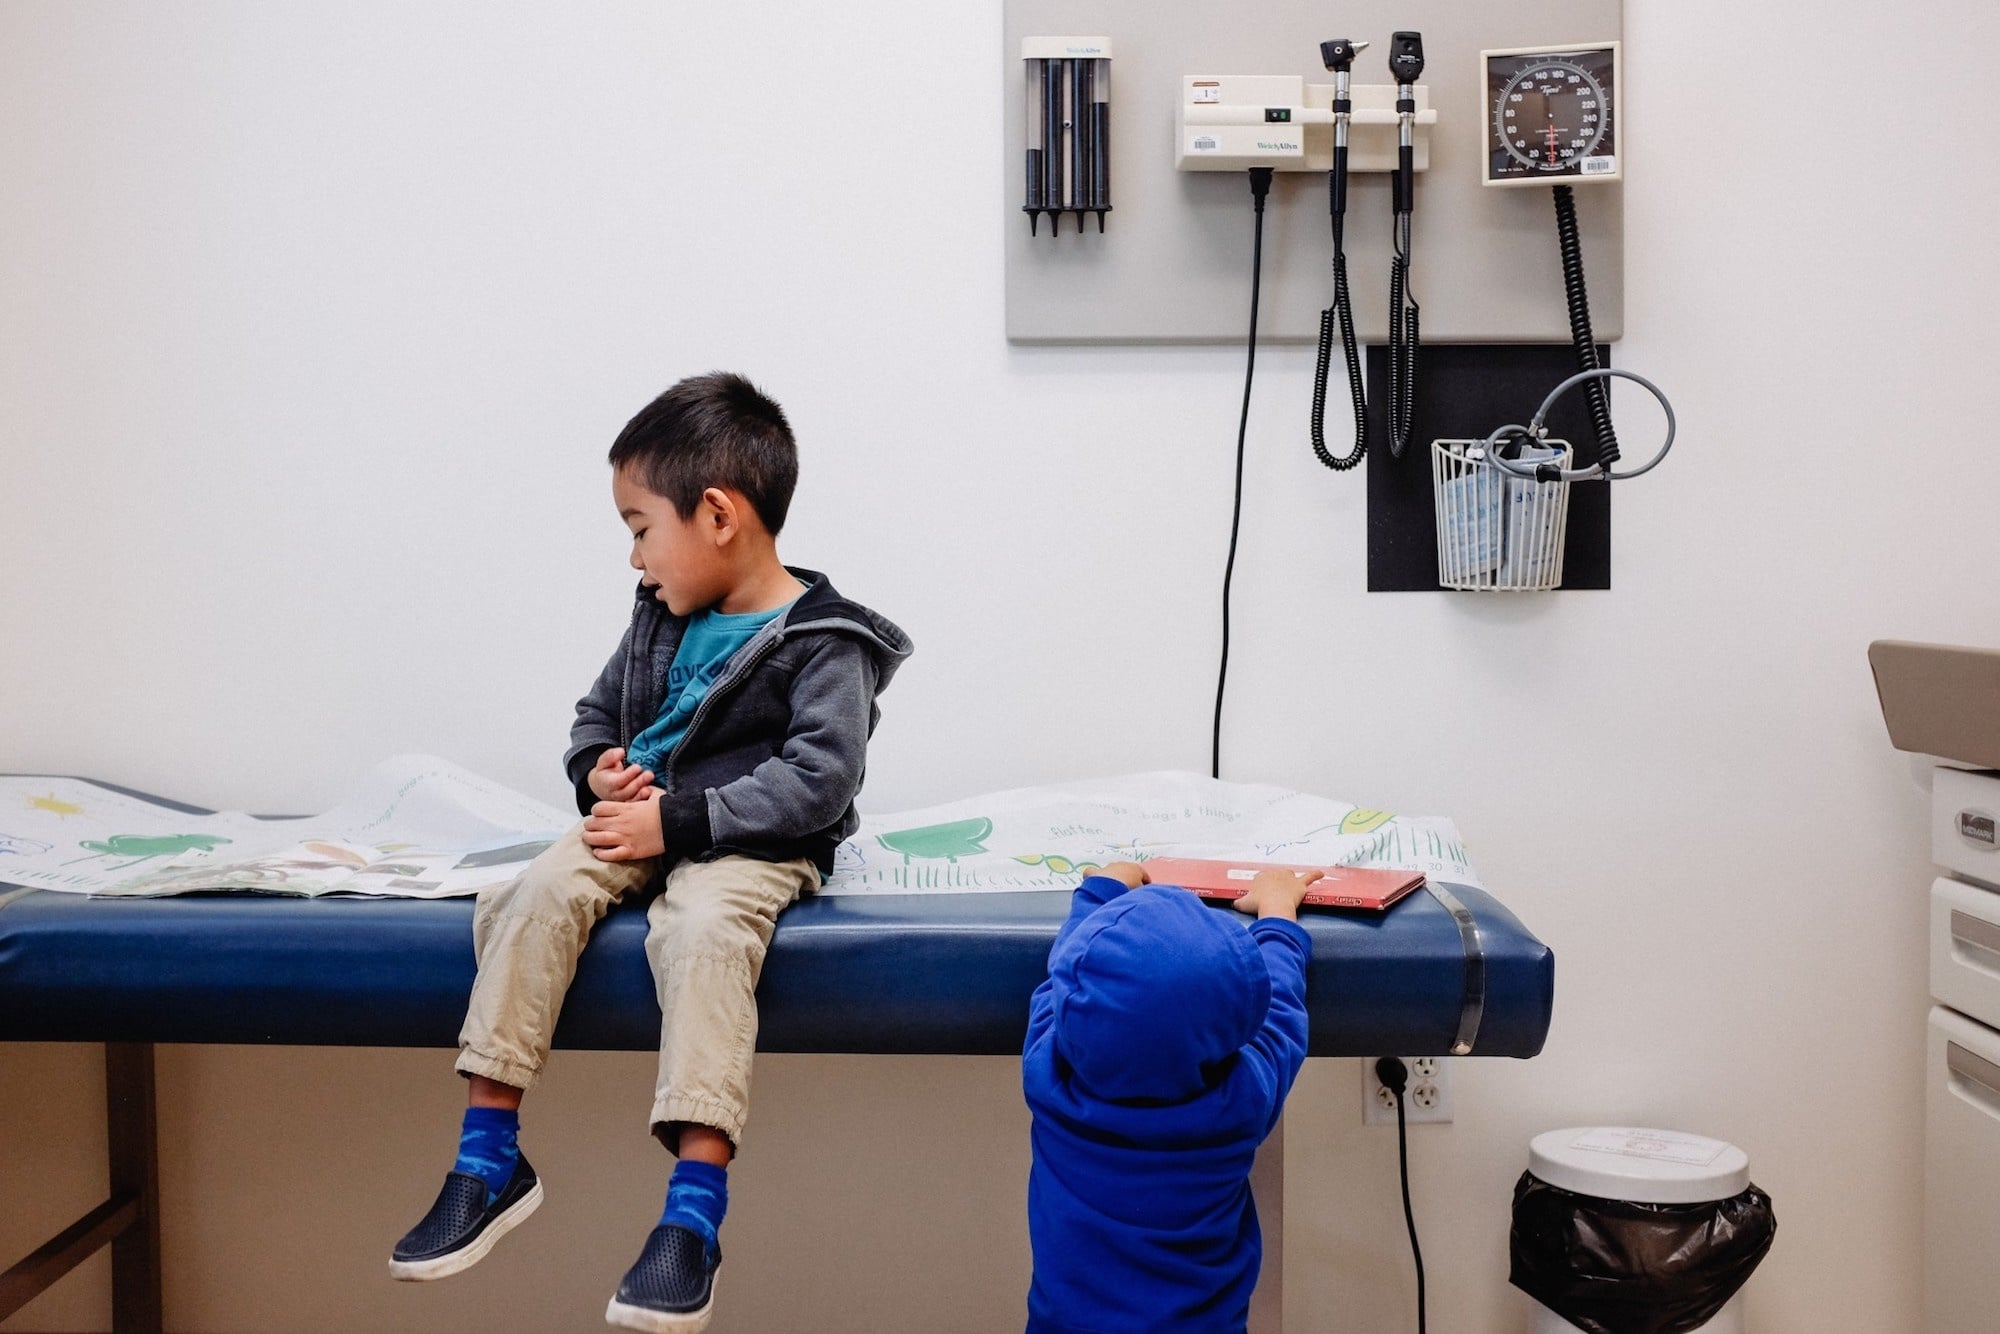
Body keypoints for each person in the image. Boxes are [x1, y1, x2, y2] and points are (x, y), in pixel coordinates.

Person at [389, 371, 913, 1334]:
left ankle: (693, 1216)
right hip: (645, 824)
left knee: (705, 932)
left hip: (750, 843)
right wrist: (603, 770)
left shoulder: (827, 643)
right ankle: (487, 1157)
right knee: (534, 892)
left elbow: (820, 780)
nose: (634, 558)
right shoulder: (660, 618)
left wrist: (675, 823)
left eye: (639, 527)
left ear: (716, 515)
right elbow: (593, 719)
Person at [1022, 861, 1317, 1333]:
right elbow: (1280, 1009)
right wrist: (1278, 911)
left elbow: (1064, 971)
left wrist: (1102, 890)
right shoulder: (1240, 1102)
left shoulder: (1046, 1071)